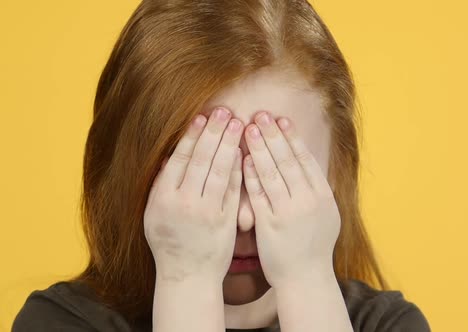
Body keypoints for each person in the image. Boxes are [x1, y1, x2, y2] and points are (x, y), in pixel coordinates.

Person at [13, 0, 431, 331]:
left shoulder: (387, 324)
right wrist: (187, 281)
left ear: (336, 170)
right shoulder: (58, 322)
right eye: (203, 171)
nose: (245, 218)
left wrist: (307, 282)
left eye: (277, 172)